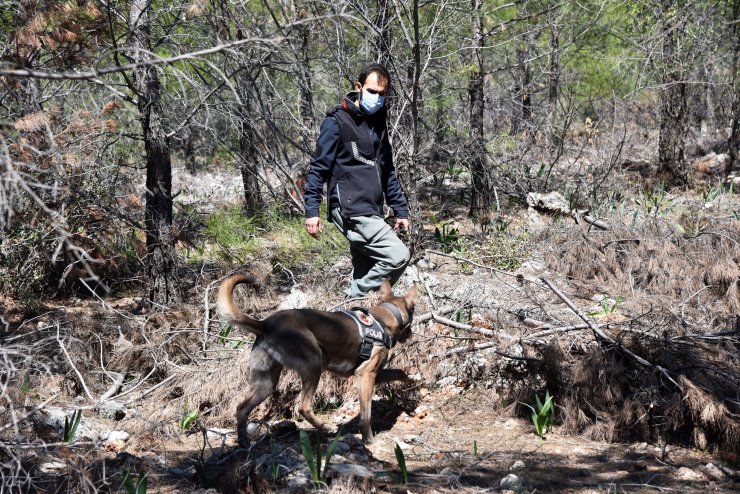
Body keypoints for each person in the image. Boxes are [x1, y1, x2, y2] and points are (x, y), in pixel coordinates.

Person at [304, 63, 410, 298]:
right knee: (398, 256)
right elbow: (318, 169)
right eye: (372, 92)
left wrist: (400, 209)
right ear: (359, 87)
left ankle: (354, 318)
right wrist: (312, 211)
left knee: (365, 270)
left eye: (383, 94)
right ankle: (353, 295)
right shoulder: (336, 121)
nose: (378, 98)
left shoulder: (378, 120)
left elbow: (387, 169)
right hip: (350, 208)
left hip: (371, 208)